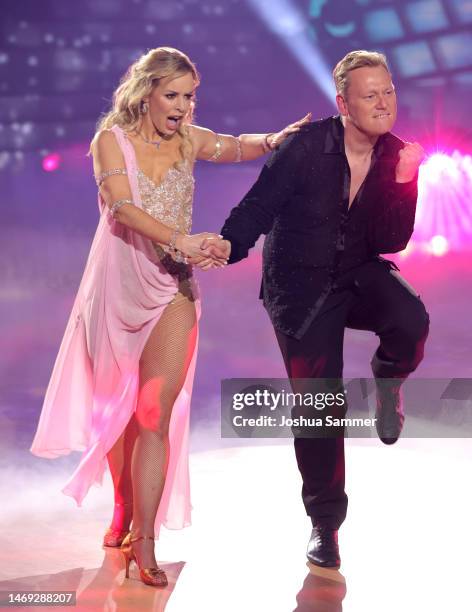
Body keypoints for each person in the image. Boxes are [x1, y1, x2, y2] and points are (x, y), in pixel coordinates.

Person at [30, 46, 309, 587]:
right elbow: (121, 207)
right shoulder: (111, 140)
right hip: (115, 290)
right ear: (147, 93)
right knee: (117, 416)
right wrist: (184, 238)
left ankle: (146, 539)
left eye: (190, 96)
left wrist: (272, 140)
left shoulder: (188, 138)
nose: (183, 107)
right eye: (173, 95)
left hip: (172, 288)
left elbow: (232, 147)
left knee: (154, 412)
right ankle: (122, 507)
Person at [206, 50, 430, 569]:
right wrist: (228, 245)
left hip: (356, 271)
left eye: (388, 92)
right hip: (299, 287)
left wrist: (405, 179)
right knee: (319, 402)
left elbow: (392, 240)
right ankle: (324, 525)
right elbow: (258, 205)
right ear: (344, 103)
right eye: (369, 94)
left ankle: (388, 382)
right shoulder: (307, 148)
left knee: (411, 319)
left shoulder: (396, 153)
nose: (383, 103)